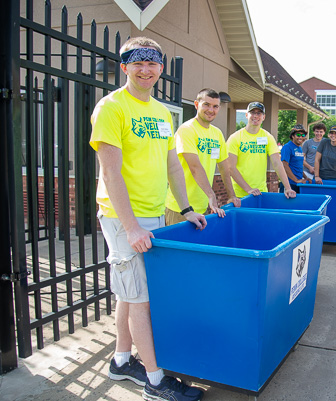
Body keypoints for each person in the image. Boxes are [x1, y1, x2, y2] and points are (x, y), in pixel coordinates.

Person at [90, 37, 205, 401]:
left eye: (152, 63)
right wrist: (131, 226)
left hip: (154, 214)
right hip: (124, 217)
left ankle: (122, 361)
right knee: (142, 300)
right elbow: (110, 173)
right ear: (124, 67)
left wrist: (185, 208)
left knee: (130, 294)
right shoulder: (111, 108)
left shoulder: (161, 112)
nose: (145, 70)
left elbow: (172, 164)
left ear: (160, 68)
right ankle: (155, 382)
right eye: (136, 63)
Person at [164, 88, 241, 225]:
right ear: (196, 104)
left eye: (215, 106)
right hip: (180, 208)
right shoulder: (187, 130)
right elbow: (194, 167)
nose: (211, 110)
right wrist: (211, 195)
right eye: (206, 104)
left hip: (203, 207)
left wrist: (231, 196)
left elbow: (224, 167)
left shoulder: (217, 133)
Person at [227, 102, 296, 198]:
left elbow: (277, 163)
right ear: (246, 115)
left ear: (263, 117)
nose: (256, 116)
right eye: (252, 112)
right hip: (239, 194)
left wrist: (288, 188)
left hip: (261, 192)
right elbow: (230, 167)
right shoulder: (235, 138)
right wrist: (248, 189)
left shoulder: (268, 137)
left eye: (259, 113)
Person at [280, 124, 308, 193]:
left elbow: (298, 166)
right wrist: (296, 180)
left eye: (303, 135)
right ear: (292, 136)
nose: (301, 137)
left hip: (298, 183)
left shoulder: (299, 148)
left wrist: (305, 177)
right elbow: (284, 165)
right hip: (289, 184)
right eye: (298, 135)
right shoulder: (287, 147)